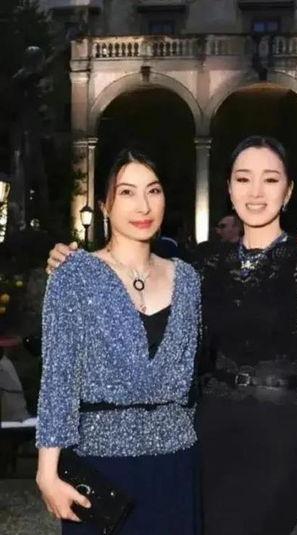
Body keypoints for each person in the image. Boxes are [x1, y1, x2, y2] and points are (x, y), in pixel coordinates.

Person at [47, 136, 297, 535]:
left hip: (280, 435)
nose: (256, 192)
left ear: (289, 190)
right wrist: (67, 259)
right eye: (243, 179)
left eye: (270, 179)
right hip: (210, 433)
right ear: (228, 188)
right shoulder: (204, 264)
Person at [36, 149, 201, 535]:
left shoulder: (188, 279)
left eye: (153, 190)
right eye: (127, 192)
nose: (143, 205)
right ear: (104, 205)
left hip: (176, 467)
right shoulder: (74, 275)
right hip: (100, 468)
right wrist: (47, 472)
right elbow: (58, 378)